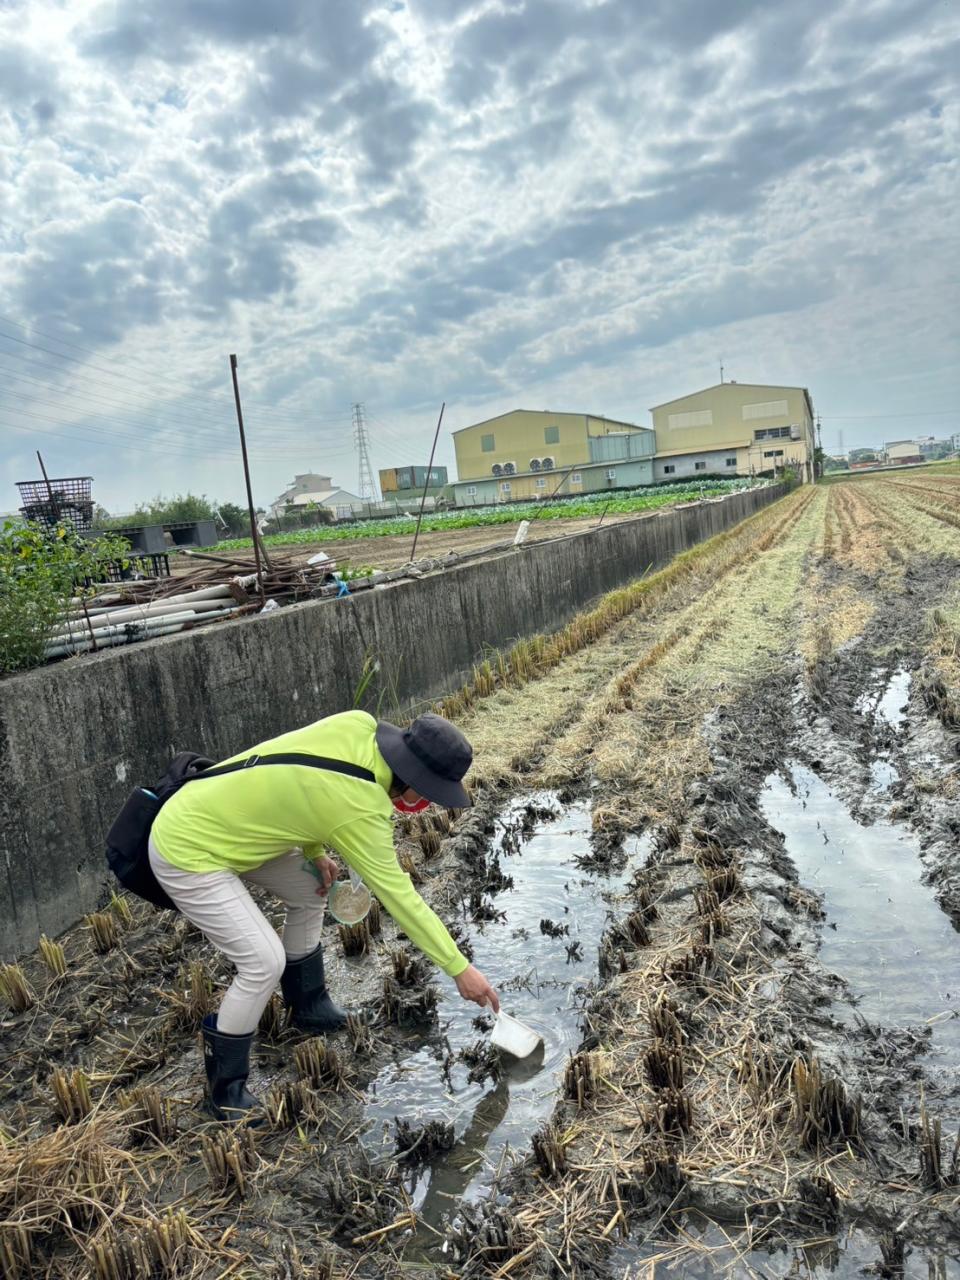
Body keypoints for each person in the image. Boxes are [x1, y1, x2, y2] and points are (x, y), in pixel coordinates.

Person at [148, 709, 500, 1120]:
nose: (426, 804)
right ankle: (225, 1091)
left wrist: (315, 853)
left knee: (310, 890)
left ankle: (308, 1006)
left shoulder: (359, 724)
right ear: (415, 787)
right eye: (430, 794)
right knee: (262, 962)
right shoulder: (361, 805)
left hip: (233, 825)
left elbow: (302, 779)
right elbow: (401, 898)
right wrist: (459, 968)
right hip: (187, 845)